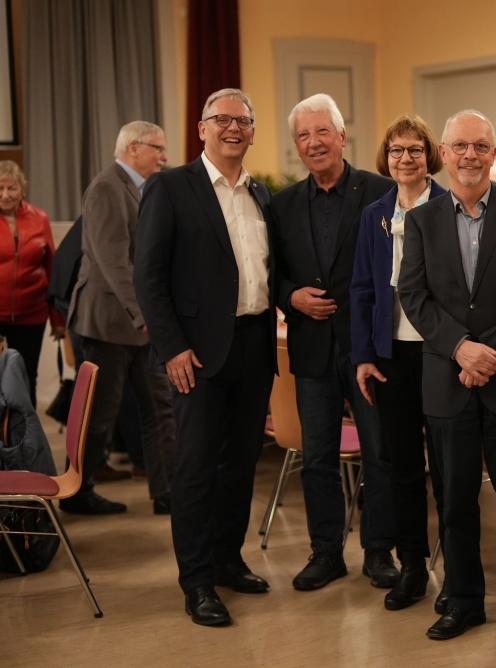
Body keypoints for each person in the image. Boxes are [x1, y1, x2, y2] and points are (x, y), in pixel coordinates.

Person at [398, 109, 496, 646]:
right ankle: (463, 603)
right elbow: (413, 294)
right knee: (456, 500)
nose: (470, 155)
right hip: (447, 380)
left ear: (493, 152)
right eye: (460, 146)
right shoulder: (421, 220)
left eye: (480, 146)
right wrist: (461, 349)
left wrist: (489, 353)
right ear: (443, 153)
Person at [135, 88, 277, 627]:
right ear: (201, 129)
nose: (233, 128)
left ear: (253, 132)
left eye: (243, 120)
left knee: (240, 464)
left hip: (254, 348)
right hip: (195, 353)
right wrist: (171, 346)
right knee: (195, 468)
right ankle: (196, 581)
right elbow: (148, 276)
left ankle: (227, 560)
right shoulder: (170, 187)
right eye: (222, 119)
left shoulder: (262, 194)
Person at [271, 93, 396, 593]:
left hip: (370, 348)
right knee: (318, 457)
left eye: (322, 131)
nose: (314, 142)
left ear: (342, 136)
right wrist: (290, 296)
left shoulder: (382, 191)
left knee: (380, 454)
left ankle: (379, 552)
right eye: (303, 135)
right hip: (312, 347)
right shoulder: (282, 205)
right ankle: (325, 552)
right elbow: (271, 273)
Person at [350, 114, 449, 611]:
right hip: (392, 353)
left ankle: (458, 569)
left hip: (441, 351)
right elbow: (362, 288)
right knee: (402, 466)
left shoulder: (450, 206)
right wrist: (364, 356)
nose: (405, 158)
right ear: (385, 158)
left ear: (429, 156)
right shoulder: (375, 214)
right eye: (396, 150)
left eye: (414, 150)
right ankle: (411, 565)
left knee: (449, 467)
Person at [63, 121, 176, 516]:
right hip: (109, 322)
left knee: (160, 406)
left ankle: (167, 493)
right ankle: (77, 491)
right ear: (133, 148)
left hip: (141, 322)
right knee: (101, 414)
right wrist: (147, 315)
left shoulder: (145, 188)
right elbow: (114, 263)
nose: (164, 156)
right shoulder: (106, 188)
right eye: (157, 148)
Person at [0, 160, 63, 407]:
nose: (5, 194)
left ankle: (27, 430)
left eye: (11, 188)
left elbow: (52, 270)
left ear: (22, 189)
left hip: (32, 314)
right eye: (0, 188)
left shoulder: (40, 219)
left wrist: (58, 319)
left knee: (26, 378)